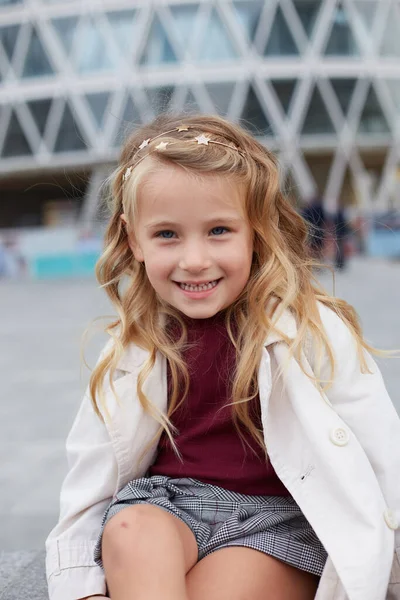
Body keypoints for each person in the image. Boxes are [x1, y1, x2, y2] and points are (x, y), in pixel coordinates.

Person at [45, 114, 400, 600]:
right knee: (130, 531)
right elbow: (89, 479)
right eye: (167, 234)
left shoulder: (308, 327)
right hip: (168, 507)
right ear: (133, 240)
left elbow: (383, 451)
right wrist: (79, 588)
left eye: (218, 230)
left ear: (255, 231)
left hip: (277, 522)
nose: (194, 260)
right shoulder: (134, 346)